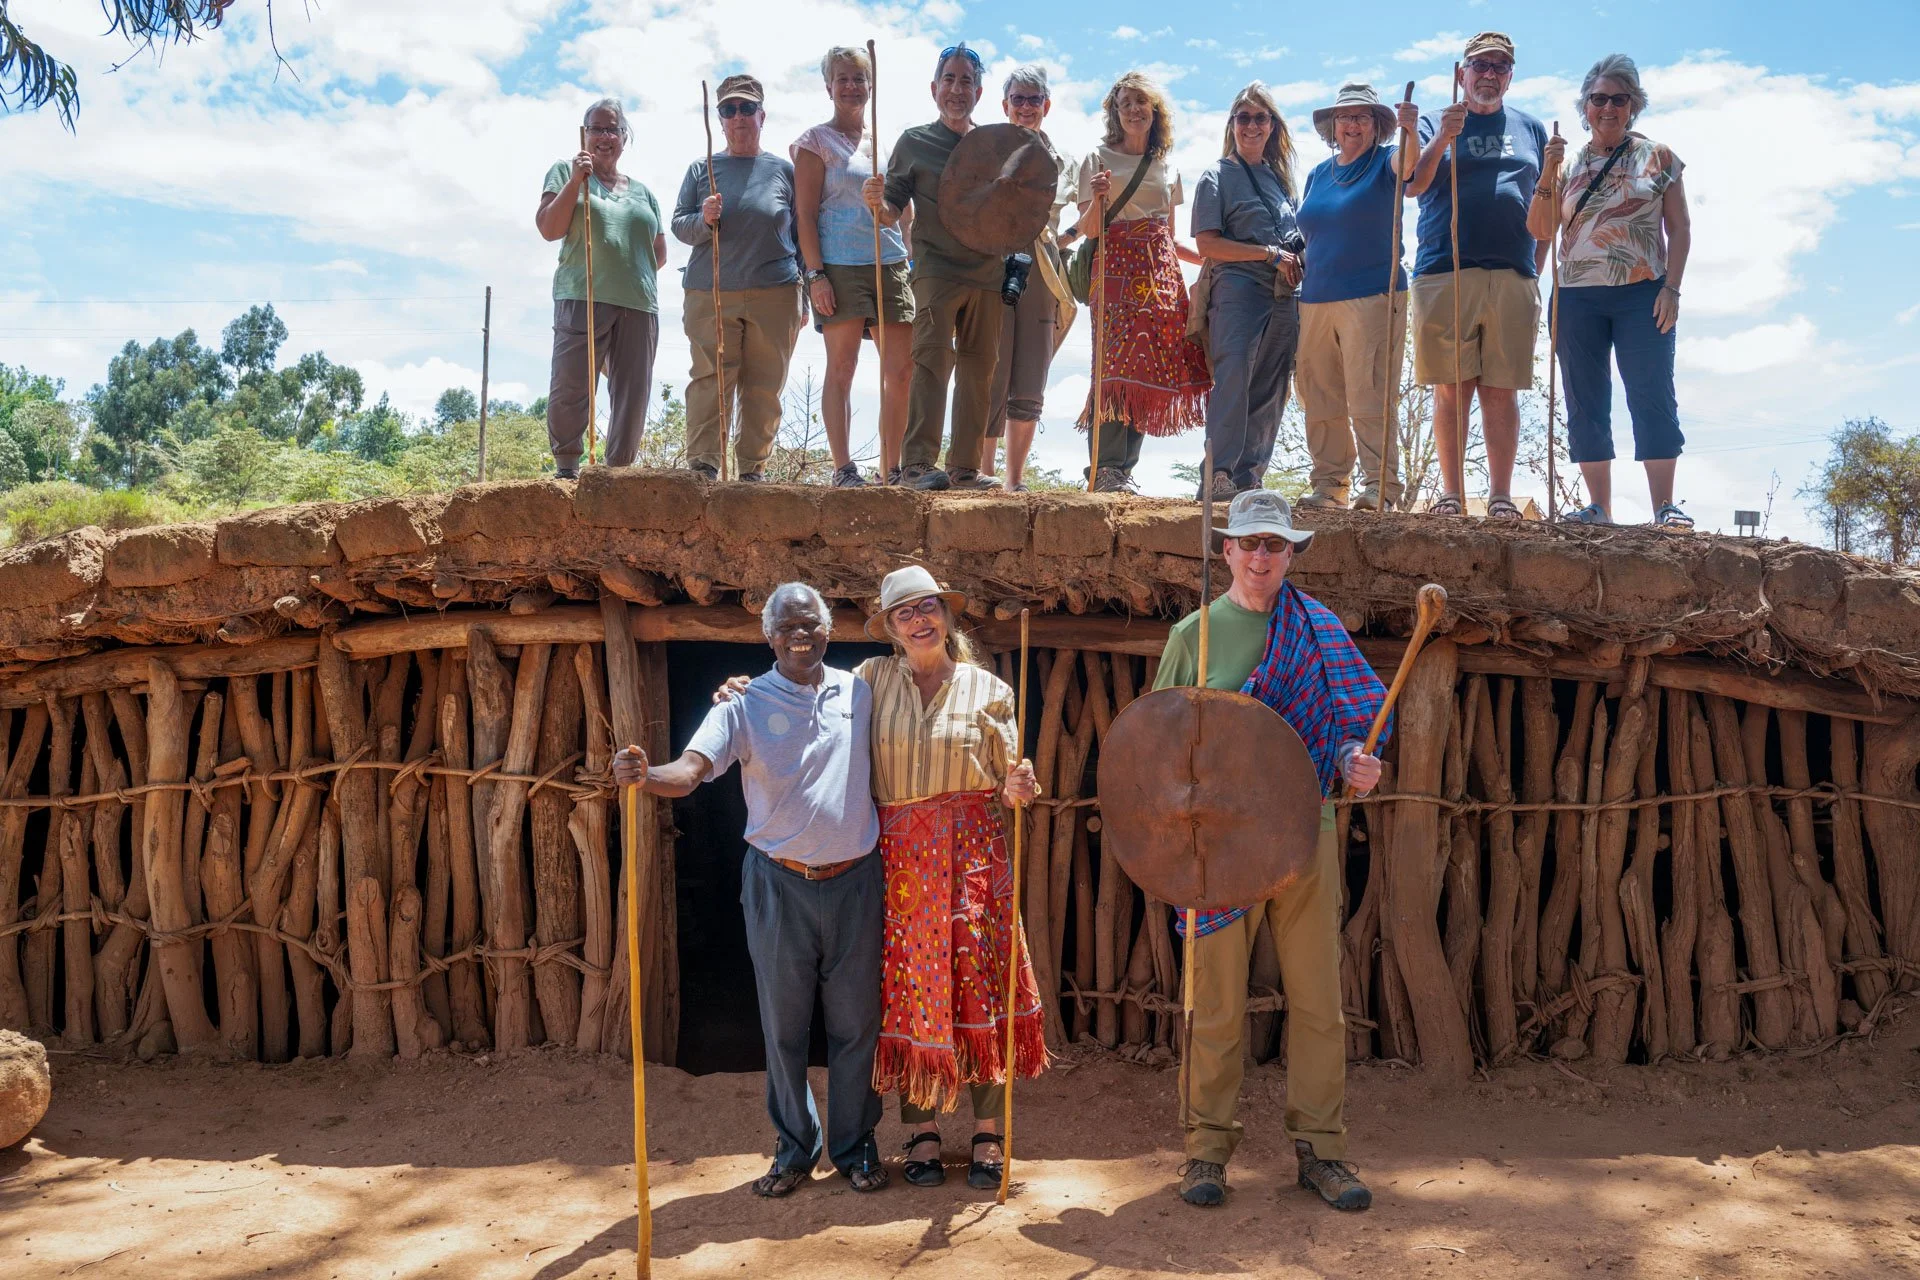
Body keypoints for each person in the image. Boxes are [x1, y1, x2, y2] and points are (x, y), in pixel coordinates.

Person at [1150, 488, 1388, 1211]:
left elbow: (1348, 728)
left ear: (1292, 554)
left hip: (1306, 832)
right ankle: (1205, 1151)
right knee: (1215, 1002)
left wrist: (1358, 761)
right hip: (1218, 849)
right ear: (1226, 550)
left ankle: (1323, 1151)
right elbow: (1161, 747)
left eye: (1275, 544)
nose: (1261, 555)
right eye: (1249, 542)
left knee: (1319, 1000)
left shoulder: (1318, 630)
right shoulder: (1194, 634)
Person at [611, 584, 889, 1197]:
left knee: (856, 1024)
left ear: (829, 629)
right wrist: (647, 775)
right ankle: (793, 1148)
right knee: (783, 1027)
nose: (800, 634)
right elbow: (690, 773)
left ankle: (854, 1146)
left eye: (811, 623)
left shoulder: (862, 691)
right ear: (768, 637)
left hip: (857, 882)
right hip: (777, 882)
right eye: (787, 625)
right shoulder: (740, 704)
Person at [861, 566, 1045, 1188]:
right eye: (905, 612)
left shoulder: (989, 690)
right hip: (902, 863)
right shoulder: (868, 682)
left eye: (929, 607)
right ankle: (923, 1132)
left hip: (972, 855)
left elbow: (1010, 784)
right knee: (915, 988)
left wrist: (1018, 787)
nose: (919, 620)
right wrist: (742, 690)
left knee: (980, 984)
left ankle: (990, 1134)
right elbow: (813, 710)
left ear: (947, 615)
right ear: (890, 628)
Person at [1530, 54, 1693, 529]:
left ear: (1633, 105)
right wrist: (1547, 169)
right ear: (1585, 106)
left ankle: (1665, 506)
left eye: (1618, 99)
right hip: (1577, 295)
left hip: (1643, 292)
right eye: (1598, 99)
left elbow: (1680, 229)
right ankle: (1599, 506)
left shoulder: (1659, 156)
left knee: (1652, 394)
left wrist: (1673, 289)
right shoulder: (1566, 164)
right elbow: (1540, 229)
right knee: (1585, 398)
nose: (1607, 108)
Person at [1406, 31, 1549, 520]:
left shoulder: (1531, 128)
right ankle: (1450, 494)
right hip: (1445, 268)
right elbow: (1411, 184)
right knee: (1450, 385)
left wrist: (1537, 267)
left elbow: (1545, 202)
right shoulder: (1432, 121)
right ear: (1461, 73)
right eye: (1479, 65)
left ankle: (1502, 498)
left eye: (1499, 67)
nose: (1489, 74)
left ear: (1510, 76)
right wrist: (1446, 134)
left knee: (1501, 388)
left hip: (1513, 271)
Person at [864, 44, 1005, 491]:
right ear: (934, 88)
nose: (957, 89)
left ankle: (964, 467)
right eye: (949, 79)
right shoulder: (914, 142)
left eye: (966, 81)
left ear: (979, 91)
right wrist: (877, 203)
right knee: (930, 360)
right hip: (935, 267)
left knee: (980, 366)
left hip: (986, 270)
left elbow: (1017, 207)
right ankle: (918, 464)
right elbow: (892, 207)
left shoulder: (994, 146)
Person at [1076, 72, 1211, 493]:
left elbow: (1169, 236)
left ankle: (1124, 469)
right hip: (1114, 268)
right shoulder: (1097, 159)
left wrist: (1211, 257)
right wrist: (1098, 198)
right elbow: (1087, 229)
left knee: (1147, 366)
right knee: (1114, 366)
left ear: (1155, 111)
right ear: (1115, 113)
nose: (1134, 109)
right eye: (1126, 103)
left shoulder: (1166, 167)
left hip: (1159, 276)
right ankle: (1105, 467)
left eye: (1141, 102)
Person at [672, 74, 805, 482]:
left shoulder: (784, 170)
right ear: (720, 118)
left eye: (747, 108)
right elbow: (679, 225)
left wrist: (805, 293)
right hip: (710, 290)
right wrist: (704, 218)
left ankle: (752, 471)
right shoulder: (702, 168)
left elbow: (802, 233)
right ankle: (704, 467)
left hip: (777, 292)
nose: (738, 116)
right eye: (728, 109)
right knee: (710, 379)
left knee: (764, 386)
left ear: (762, 115)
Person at [1295, 83, 1420, 511]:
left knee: (1369, 391)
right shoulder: (1317, 174)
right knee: (1320, 393)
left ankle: (1381, 488)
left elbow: (1408, 168)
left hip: (1372, 293)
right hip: (1314, 297)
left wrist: (1410, 131)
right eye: (1345, 116)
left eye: (1363, 117)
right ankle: (1330, 485)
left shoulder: (1386, 160)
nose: (1352, 124)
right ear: (1333, 125)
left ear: (1377, 125)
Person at [793, 46, 914, 487]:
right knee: (842, 367)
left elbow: (905, 209)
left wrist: (911, 252)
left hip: (891, 260)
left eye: (858, 79)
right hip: (840, 263)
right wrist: (815, 274)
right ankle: (844, 468)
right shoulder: (814, 142)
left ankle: (892, 468)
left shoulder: (887, 141)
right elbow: (804, 214)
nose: (851, 86)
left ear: (871, 85)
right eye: (842, 78)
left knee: (901, 370)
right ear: (829, 86)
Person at [536, 98, 668, 479]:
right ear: (584, 134)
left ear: (625, 137)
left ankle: (617, 474)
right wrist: (578, 180)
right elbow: (549, 228)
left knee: (633, 392)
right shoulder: (566, 172)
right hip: (583, 293)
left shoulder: (644, 193)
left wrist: (630, 270)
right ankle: (567, 466)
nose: (605, 136)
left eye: (613, 129)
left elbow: (658, 253)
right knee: (572, 381)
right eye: (597, 128)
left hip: (639, 302)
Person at [1192, 82, 1301, 500]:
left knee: (1272, 385)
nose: (1251, 125)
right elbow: (1207, 245)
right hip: (1238, 288)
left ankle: (1249, 477)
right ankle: (1218, 474)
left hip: (1284, 292)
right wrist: (1267, 254)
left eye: (1260, 117)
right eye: (1243, 117)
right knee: (1233, 375)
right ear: (1232, 124)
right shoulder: (1216, 176)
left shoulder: (1279, 181)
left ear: (1272, 125)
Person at [985, 64, 1077, 492]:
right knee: (990, 368)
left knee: (1031, 371)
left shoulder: (1065, 161)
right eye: (1018, 99)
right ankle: (980, 474)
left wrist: (1066, 238)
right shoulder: (984, 152)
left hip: (1041, 266)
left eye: (1033, 99)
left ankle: (1014, 479)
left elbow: (1085, 221)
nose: (1025, 107)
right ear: (1005, 105)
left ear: (1047, 105)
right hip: (993, 262)